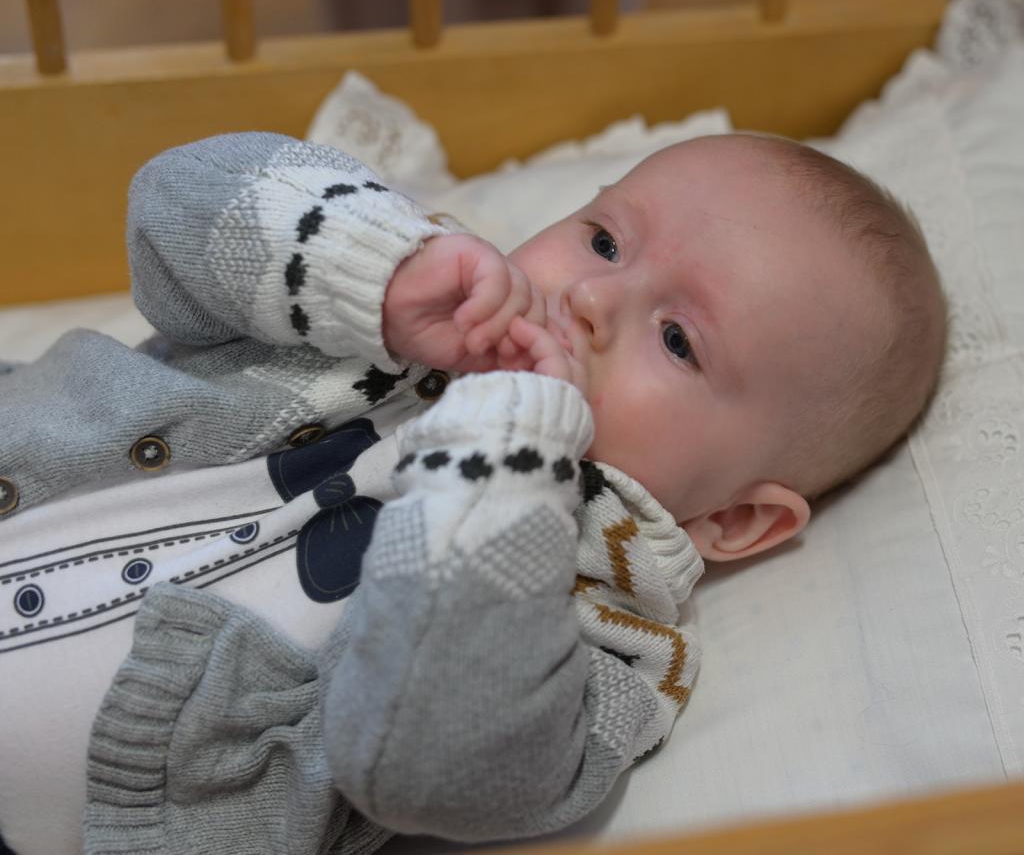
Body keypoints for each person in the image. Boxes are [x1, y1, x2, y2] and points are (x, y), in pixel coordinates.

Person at [0, 131, 945, 855]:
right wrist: (376, 264)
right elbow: (172, 206)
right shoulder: (393, 290)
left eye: (678, 341)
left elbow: (435, 767)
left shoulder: (605, 638)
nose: (589, 300)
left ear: (735, 519)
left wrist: (508, 454)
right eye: (604, 240)